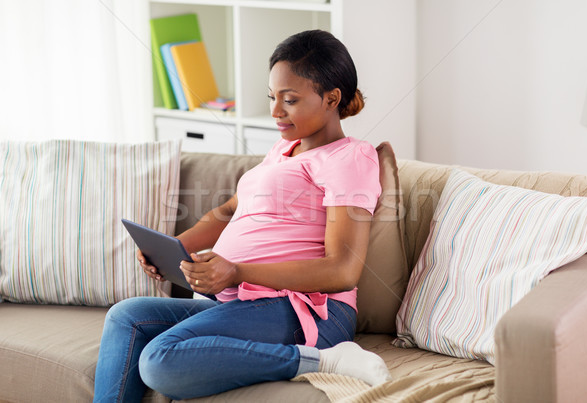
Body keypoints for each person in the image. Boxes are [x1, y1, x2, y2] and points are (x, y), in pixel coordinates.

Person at [93, 29, 391, 402]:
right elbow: (229, 210)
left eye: (290, 100)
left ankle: (324, 360)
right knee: (127, 316)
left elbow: (343, 269)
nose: (275, 111)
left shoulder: (350, 157)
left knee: (159, 360)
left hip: (305, 310)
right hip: (243, 301)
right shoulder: (283, 150)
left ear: (332, 98)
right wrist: (175, 248)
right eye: (272, 98)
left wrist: (237, 271)